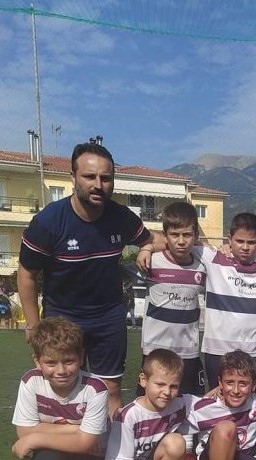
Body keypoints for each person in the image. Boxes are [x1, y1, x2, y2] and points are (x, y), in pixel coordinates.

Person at [17, 142, 160, 418]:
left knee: (110, 389)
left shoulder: (120, 217)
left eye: (106, 178)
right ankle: (68, 444)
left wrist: (150, 246)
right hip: (63, 317)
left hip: (108, 316)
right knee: (64, 389)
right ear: (73, 177)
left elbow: (154, 239)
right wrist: (33, 325)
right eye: (89, 176)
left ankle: (112, 445)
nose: (98, 184)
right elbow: (26, 274)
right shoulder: (48, 223)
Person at [11, 317, 109, 460]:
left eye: (69, 361)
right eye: (50, 362)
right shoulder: (31, 381)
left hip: (88, 453)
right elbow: (24, 431)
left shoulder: (95, 388)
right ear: (37, 361)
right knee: (47, 458)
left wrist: (36, 437)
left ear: (81, 356)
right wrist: (76, 428)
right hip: (59, 448)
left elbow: (85, 443)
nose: (61, 370)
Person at [195, 212, 256, 389]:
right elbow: (175, 240)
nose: (245, 247)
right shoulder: (214, 257)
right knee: (217, 399)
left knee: (250, 398)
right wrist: (147, 249)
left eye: (251, 242)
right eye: (239, 241)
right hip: (217, 350)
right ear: (229, 239)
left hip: (253, 351)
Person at [106, 349, 191, 460]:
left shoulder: (179, 404)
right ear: (143, 380)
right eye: (160, 384)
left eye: (174, 386)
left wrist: (219, 392)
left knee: (176, 442)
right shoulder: (128, 416)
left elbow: (207, 403)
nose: (167, 392)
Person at [140, 201, 206, 397]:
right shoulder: (151, 261)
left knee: (188, 404)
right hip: (155, 351)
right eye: (175, 235)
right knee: (151, 404)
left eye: (187, 235)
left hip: (188, 351)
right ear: (165, 236)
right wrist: (147, 248)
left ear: (196, 235)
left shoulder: (203, 265)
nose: (181, 241)